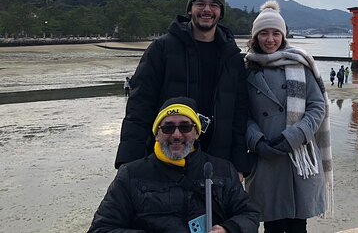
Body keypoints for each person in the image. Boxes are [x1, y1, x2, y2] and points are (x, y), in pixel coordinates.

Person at [114, 0, 250, 178]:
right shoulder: (162, 49)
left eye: (214, 5)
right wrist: (128, 161)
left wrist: (239, 164)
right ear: (189, 10)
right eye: (200, 4)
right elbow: (139, 106)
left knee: (214, 209)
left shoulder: (233, 57)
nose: (206, 10)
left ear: (220, 13)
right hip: (169, 154)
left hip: (218, 157)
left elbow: (239, 114)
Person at [89, 97, 260, 233]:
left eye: (185, 127)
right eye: (168, 128)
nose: (176, 135)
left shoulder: (223, 170)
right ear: (157, 134)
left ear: (196, 133)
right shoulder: (131, 175)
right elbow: (101, 228)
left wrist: (227, 229)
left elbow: (249, 214)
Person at [245, 1, 334, 233]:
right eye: (264, 33)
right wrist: (256, 140)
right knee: (272, 223)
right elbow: (241, 113)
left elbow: (317, 106)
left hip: (298, 153)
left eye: (276, 33)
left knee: (297, 223)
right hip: (265, 155)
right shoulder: (246, 69)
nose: (270, 39)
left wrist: (294, 136)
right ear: (255, 37)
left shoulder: (300, 64)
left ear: (283, 36)